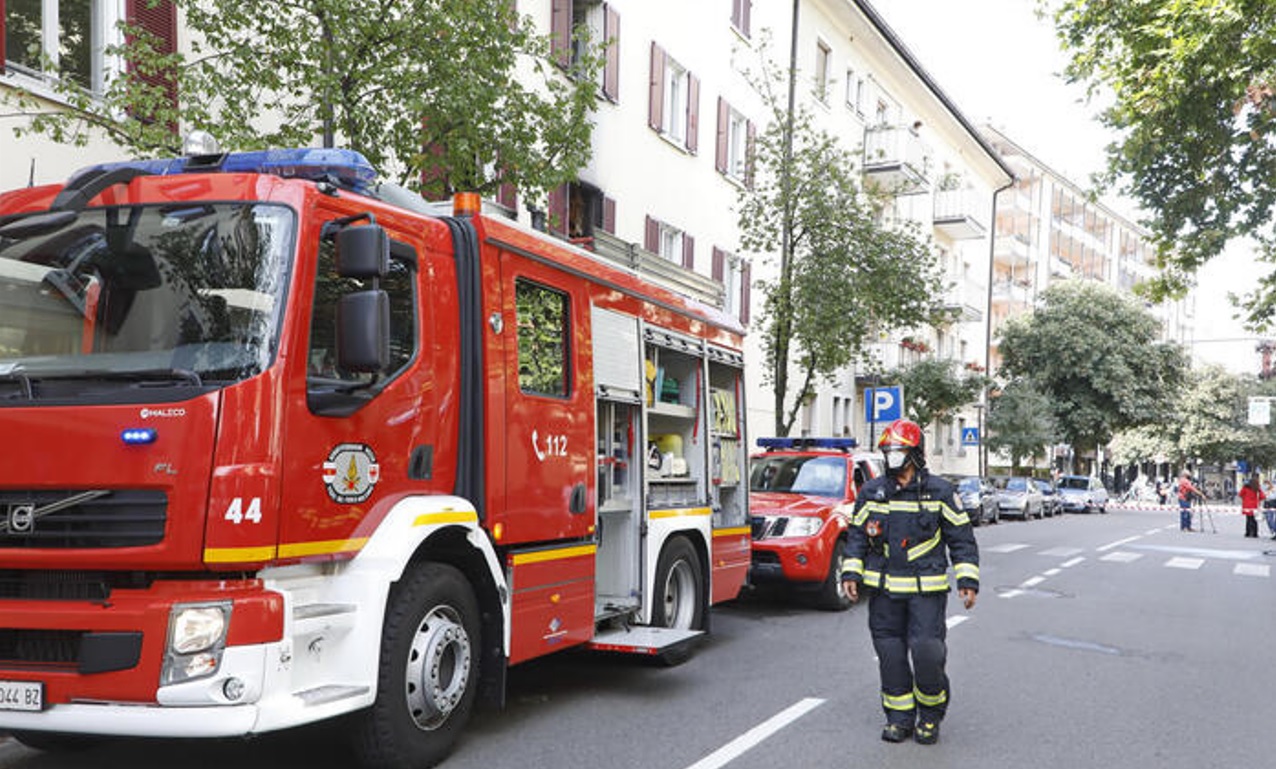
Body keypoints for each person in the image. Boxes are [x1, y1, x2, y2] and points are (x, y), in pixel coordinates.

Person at [840, 418, 979, 745]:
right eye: (887, 451)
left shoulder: (940, 492)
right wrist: (851, 573)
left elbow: (961, 539)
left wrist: (967, 580)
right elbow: (857, 536)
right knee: (890, 655)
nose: (892, 457)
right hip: (885, 592)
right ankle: (900, 718)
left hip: (926, 593)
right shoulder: (873, 492)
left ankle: (930, 716)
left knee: (927, 653)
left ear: (915, 453)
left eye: (898, 451)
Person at [1239, 474, 1265, 539]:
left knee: (1248, 519)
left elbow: (1240, 494)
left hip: (1247, 505)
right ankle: (1255, 533)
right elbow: (1262, 497)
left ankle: (1248, 532)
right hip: (1254, 506)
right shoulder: (1257, 488)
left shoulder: (1245, 487)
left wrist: (1245, 498)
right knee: (1254, 520)